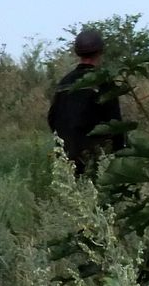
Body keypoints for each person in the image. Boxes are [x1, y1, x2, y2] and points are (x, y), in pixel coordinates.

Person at [48, 28, 126, 177]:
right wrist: (118, 154)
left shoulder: (64, 83)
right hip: (96, 158)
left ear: (77, 52)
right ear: (100, 51)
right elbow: (115, 123)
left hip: (68, 157)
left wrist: (65, 145)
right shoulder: (104, 82)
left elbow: (52, 119)